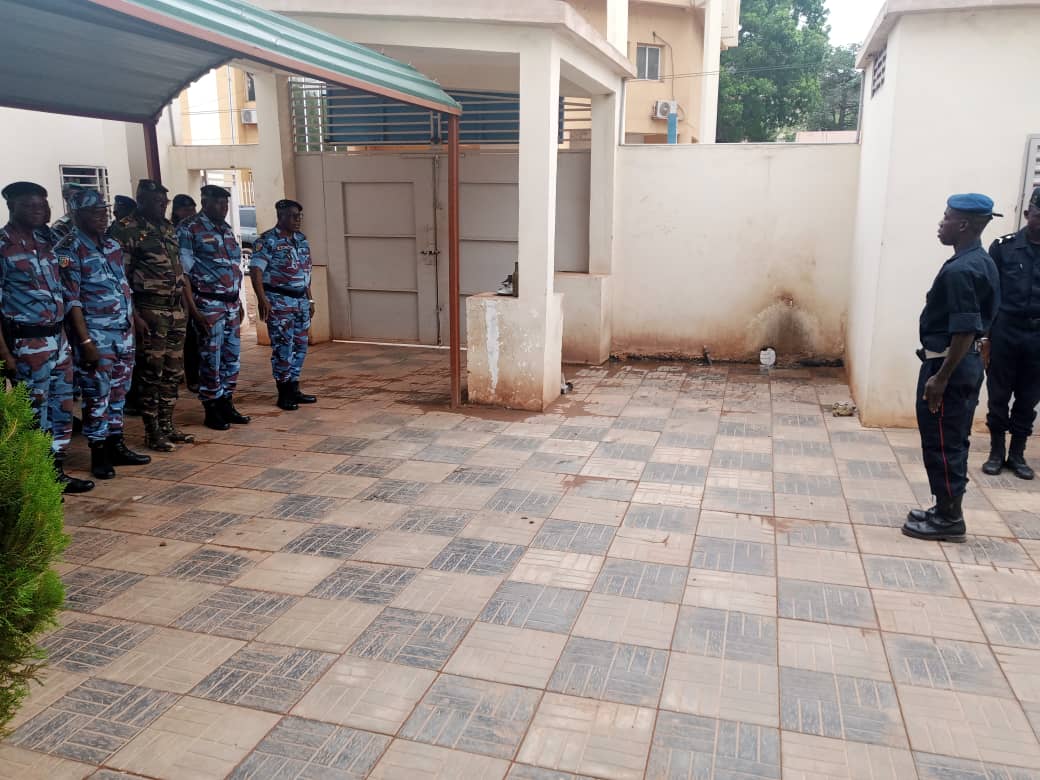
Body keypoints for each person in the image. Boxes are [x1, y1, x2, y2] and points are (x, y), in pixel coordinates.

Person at [903, 194, 1000, 542]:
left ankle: (949, 518)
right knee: (952, 439)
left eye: (945, 218)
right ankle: (944, 507)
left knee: (943, 442)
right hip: (961, 364)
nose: (940, 224)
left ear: (962, 225)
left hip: (950, 367)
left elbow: (965, 329)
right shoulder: (979, 260)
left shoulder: (963, 269)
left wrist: (940, 379)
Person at [0, 181, 93, 493]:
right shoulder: (2, 246)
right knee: (34, 413)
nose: (40, 210)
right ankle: (37, 480)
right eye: (30, 205)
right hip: (28, 344)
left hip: (59, 341)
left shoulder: (47, 241)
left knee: (61, 408)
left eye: (43, 204)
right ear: (11, 206)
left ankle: (56, 473)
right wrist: (6, 356)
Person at [56, 189, 150, 479]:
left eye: (104, 210)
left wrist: (133, 319)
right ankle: (98, 452)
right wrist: (85, 342)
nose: (103, 215)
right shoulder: (69, 249)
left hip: (122, 332)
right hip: (96, 336)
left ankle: (115, 444)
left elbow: (123, 287)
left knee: (120, 391)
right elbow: (71, 302)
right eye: (95, 212)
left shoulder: (111, 245)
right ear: (76, 214)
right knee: (97, 395)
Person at [109, 179, 194, 451]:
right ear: (141, 200)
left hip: (174, 308)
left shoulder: (167, 227)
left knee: (172, 371)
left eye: (164, 202)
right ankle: (152, 430)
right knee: (151, 372)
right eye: (157, 201)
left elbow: (179, 269)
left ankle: (168, 424)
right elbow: (119, 278)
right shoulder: (125, 230)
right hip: (149, 310)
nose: (162, 206)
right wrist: (134, 315)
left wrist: (186, 306)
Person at [179, 184, 250, 430]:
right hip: (207, 303)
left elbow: (232, 270)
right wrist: (193, 310)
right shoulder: (190, 229)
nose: (223, 207)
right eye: (218, 203)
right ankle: (211, 407)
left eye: (226, 203)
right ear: (205, 202)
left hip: (230, 303)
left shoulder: (226, 230)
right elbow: (184, 275)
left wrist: (239, 301)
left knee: (232, 358)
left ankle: (226, 402)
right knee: (211, 358)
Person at [982, 186, 1040, 480]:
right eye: (1039, 215)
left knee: (1029, 398)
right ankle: (995, 452)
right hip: (1006, 330)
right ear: (1028, 214)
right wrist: (986, 338)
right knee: (998, 394)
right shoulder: (1002, 247)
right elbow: (989, 295)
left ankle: (1017, 454)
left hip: (1038, 337)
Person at [249, 199, 318, 410]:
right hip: (279, 301)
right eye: (293, 216)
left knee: (300, 346)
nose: (297, 220)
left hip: (301, 301)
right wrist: (262, 300)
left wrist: (310, 298)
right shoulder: (267, 241)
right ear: (281, 217)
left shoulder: (301, 240)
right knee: (282, 347)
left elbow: (305, 273)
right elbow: (256, 271)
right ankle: (284, 391)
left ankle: (294, 387)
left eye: (299, 216)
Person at [171, 194, 201, 393]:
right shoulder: (173, 231)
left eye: (192, 209)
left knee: (196, 337)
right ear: (176, 211)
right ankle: (190, 377)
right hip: (178, 293)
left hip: (197, 290)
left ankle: (195, 375)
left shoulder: (196, 230)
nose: (190, 213)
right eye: (185, 209)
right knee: (188, 337)